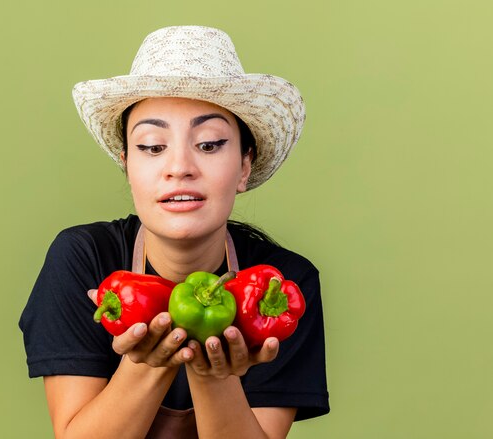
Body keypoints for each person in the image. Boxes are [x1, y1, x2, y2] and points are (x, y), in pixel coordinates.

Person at [19, 25, 329, 438]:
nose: (179, 166)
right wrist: (145, 363)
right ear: (127, 165)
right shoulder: (83, 258)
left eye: (209, 143)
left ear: (243, 166)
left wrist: (213, 374)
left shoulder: (281, 288)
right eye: (152, 146)